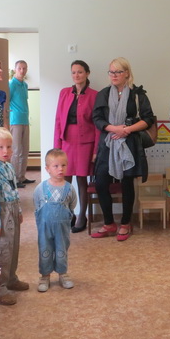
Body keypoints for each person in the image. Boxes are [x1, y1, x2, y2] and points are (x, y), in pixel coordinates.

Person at [91, 57, 154, 242]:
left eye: (118, 72)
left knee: (127, 184)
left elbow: (148, 119)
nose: (114, 75)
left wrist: (127, 130)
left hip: (129, 143)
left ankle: (125, 223)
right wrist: (114, 129)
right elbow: (97, 119)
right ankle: (109, 223)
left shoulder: (137, 94)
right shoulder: (103, 94)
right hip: (107, 144)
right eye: (111, 72)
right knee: (101, 183)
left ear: (126, 73)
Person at [0, 127, 29, 305]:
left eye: (9, 147)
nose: (6, 151)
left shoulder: (9, 167)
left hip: (12, 211)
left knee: (12, 248)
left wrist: (19, 212)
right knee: (0, 251)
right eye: (0, 147)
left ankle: (11, 279)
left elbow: (14, 192)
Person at [54, 60, 99, 233]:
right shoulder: (64, 93)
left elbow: (97, 125)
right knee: (65, 180)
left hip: (86, 143)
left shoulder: (95, 95)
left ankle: (82, 216)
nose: (76, 75)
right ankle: (68, 214)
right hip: (67, 142)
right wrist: (56, 148)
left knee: (81, 180)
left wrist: (96, 150)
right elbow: (58, 120)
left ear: (87, 73)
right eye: (73, 72)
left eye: (80, 72)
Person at [34, 149, 78, 292]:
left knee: (61, 249)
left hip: (62, 228)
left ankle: (62, 273)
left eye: (63, 165)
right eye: (56, 166)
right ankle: (45, 276)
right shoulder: (41, 188)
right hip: (45, 227)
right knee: (45, 249)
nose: (60, 169)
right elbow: (37, 205)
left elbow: (72, 205)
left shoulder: (69, 188)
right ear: (47, 169)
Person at [9, 60, 35, 186]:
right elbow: (6, 101)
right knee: (16, 150)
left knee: (25, 150)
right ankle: (14, 179)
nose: (22, 70)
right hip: (15, 121)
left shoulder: (25, 85)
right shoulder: (11, 84)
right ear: (15, 69)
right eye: (19, 68)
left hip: (25, 120)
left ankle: (22, 176)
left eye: (24, 68)